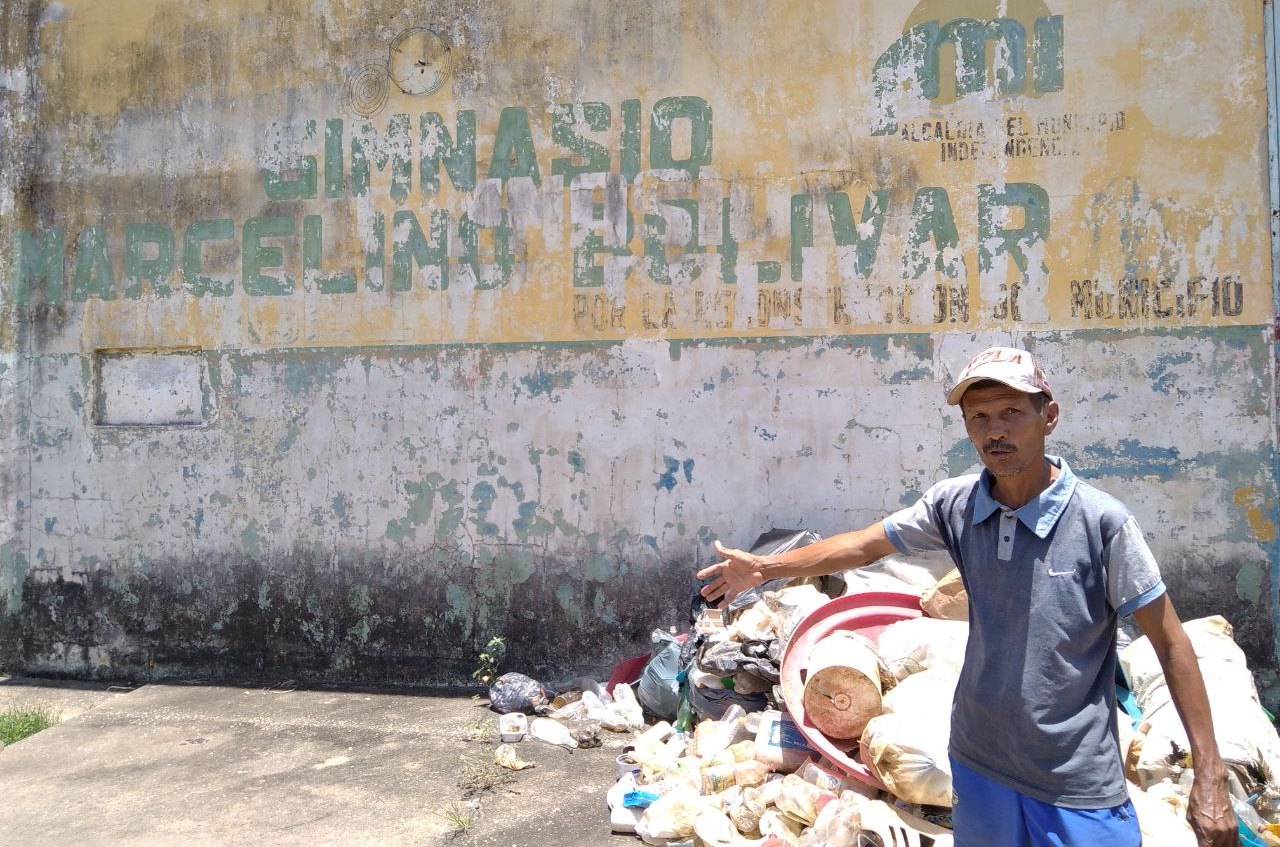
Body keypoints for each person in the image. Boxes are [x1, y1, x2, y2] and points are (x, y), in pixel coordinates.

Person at [697, 346, 1238, 847]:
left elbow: (1171, 642)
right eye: (979, 417)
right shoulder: (956, 505)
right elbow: (862, 545)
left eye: (1010, 413)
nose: (994, 431)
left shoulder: (1101, 523)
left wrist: (1209, 775)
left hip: (1074, 783)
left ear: (1048, 417)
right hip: (979, 768)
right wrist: (764, 568)